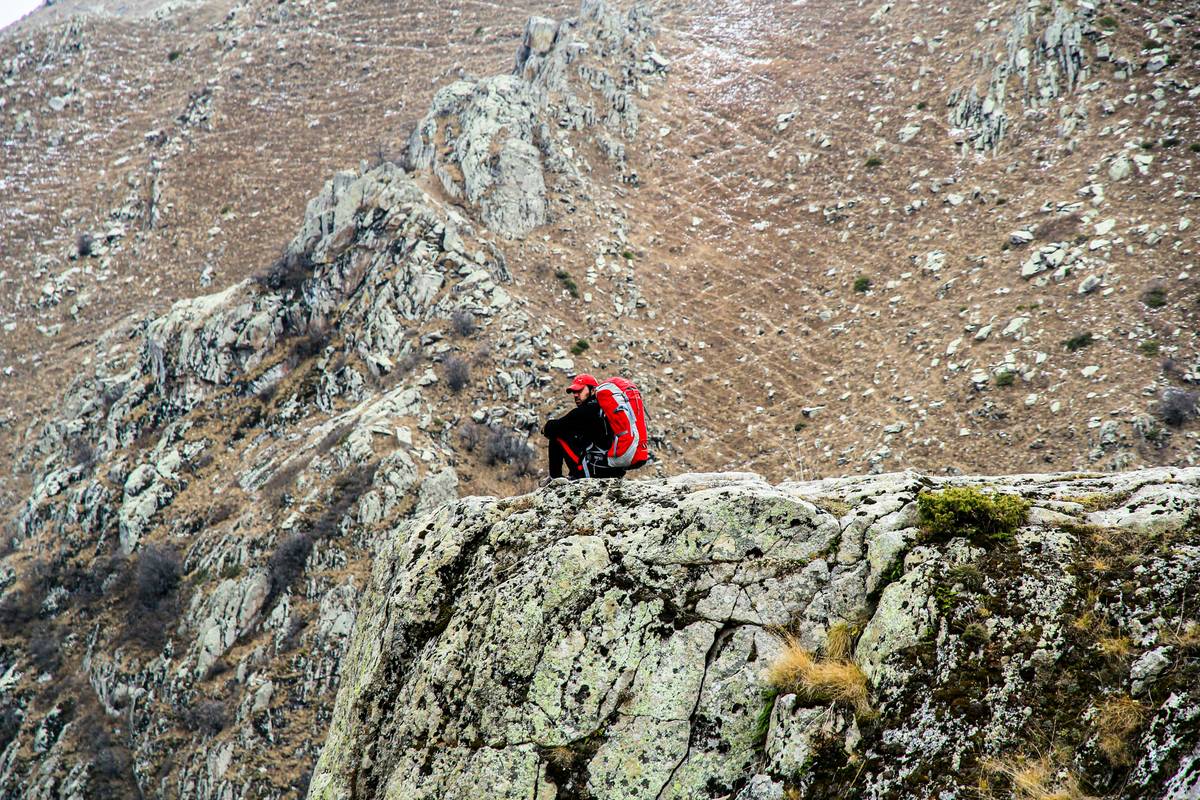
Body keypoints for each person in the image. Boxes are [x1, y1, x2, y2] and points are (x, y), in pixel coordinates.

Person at [542, 373, 628, 481]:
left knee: (557, 436)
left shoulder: (584, 412)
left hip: (594, 470)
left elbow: (551, 428)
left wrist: (544, 428)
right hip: (612, 468)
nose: (575, 395)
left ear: (593, 390)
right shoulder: (604, 410)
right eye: (574, 392)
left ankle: (555, 479)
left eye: (580, 391)